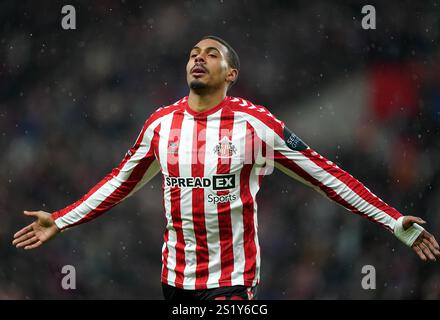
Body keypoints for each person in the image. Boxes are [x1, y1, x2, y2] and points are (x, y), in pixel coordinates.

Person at [12, 35, 440, 301]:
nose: (198, 58)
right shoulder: (161, 125)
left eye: (211, 53)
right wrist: (62, 220)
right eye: (193, 53)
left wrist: (393, 220)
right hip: (174, 280)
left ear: (231, 72)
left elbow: (326, 176)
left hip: (230, 282)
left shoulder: (257, 126)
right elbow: (119, 183)